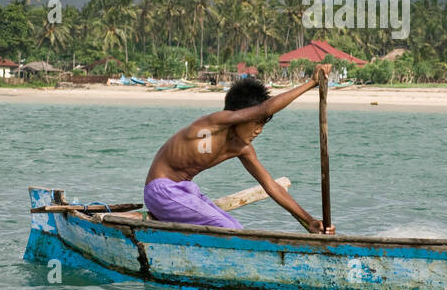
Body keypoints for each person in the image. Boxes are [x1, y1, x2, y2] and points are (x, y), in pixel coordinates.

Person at [143, 64, 335, 234]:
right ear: (241, 116)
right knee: (229, 230)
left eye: (262, 125)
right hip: (161, 190)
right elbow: (266, 109)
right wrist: (311, 83)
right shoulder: (212, 124)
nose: (259, 130)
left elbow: (271, 186)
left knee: (237, 227)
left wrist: (309, 220)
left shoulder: (242, 148)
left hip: (186, 190)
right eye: (256, 123)